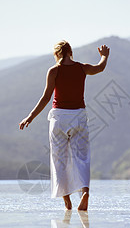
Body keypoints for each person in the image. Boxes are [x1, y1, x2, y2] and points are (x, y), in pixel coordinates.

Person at [19, 40, 110, 211]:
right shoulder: (82, 68)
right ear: (70, 52)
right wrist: (104, 56)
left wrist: (30, 117)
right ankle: (85, 193)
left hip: (59, 118)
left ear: (57, 54)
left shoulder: (54, 71)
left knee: (59, 160)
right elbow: (100, 68)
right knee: (82, 158)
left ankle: (67, 201)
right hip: (79, 117)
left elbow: (46, 97)